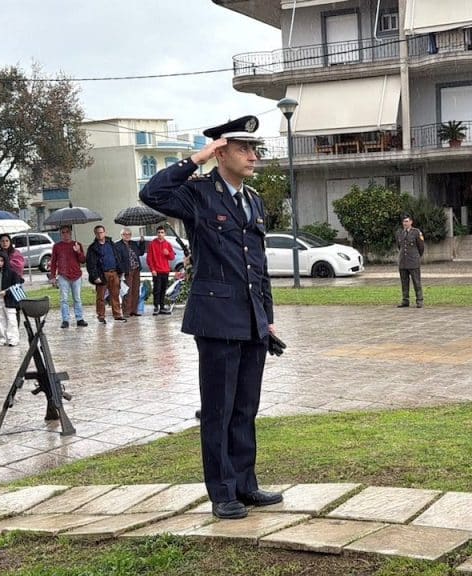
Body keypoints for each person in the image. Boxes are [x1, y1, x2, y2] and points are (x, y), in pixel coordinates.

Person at [140, 114, 282, 520]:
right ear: (221, 153)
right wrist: (196, 158)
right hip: (217, 319)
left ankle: (245, 484)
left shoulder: (252, 200)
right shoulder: (199, 194)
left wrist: (267, 318)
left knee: (245, 409)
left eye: (254, 149)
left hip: (252, 319)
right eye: (243, 148)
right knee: (218, 410)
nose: (253, 156)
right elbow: (153, 193)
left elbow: (258, 266)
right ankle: (221, 493)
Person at [86, 225, 128, 323]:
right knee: (101, 296)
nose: (100, 234)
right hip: (102, 274)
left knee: (115, 294)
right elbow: (91, 264)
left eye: (101, 232)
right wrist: (95, 276)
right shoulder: (93, 248)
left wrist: (120, 271)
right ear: (95, 234)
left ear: (104, 233)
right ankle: (101, 315)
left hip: (114, 272)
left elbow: (117, 257)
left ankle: (117, 314)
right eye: (98, 233)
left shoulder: (111, 244)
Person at [49, 225, 88, 329]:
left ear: (71, 232)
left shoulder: (77, 244)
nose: (65, 234)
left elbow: (83, 260)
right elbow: (53, 262)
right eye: (63, 232)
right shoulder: (57, 246)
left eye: (67, 232)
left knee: (77, 298)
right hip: (63, 275)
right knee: (64, 299)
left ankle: (79, 318)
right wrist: (52, 276)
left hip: (76, 275)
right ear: (60, 234)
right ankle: (65, 320)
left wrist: (78, 251)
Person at [0, 253, 24, 346]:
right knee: (0, 319)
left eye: (2, 261)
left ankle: (14, 338)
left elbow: (17, 285)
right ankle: (3, 338)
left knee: (11, 319)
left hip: (9, 299)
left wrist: (7, 292)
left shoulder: (13, 273)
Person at [395, 214, 425, 308]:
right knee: (404, 283)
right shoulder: (400, 233)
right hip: (403, 262)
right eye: (404, 221)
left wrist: (416, 257)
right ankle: (405, 300)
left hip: (413, 261)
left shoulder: (416, 232)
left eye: (407, 221)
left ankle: (419, 301)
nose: (405, 223)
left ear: (411, 222)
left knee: (416, 282)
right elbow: (399, 246)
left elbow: (421, 247)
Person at [146, 225, 176, 315]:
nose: (160, 234)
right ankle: (156, 307)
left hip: (165, 270)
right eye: (159, 232)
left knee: (163, 289)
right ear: (156, 233)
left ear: (164, 234)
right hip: (156, 271)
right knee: (157, 289)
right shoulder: (152, 244)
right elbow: (149, 259)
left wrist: (168, 254)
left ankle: (162, 307)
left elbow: (172, 257)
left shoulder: (168, 244)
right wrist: (153, 270)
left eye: (162, 232)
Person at [115, 228, 143, 317]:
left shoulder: (133, 243)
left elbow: (140, 253)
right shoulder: (118, 245)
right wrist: (121, 271)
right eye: (125, 234)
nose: (127, 236)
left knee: (136, 290)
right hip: (126, 271)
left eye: (129, 234)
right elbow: (118, 259)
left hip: (136, 269)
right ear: (121, 235)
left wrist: (142, 242)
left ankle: (134, 310)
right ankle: (126, 311)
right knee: (127, 291)